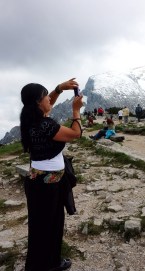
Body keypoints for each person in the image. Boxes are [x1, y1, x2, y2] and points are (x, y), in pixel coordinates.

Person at [20, 79, 81, 270]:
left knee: (41, 224)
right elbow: (75, 133)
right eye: (45, 96)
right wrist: (76, 111)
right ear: (38, 102)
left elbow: (49, 104)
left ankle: (40, 263)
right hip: (49, 184)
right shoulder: (45, 125)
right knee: (52, 224)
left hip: (38, 181)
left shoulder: (31, 119)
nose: (49, 99)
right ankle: (50, 264)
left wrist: (59, 89)